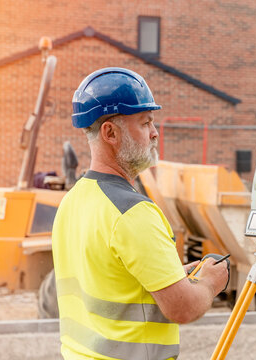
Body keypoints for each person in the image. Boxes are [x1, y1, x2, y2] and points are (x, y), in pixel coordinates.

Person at [51, 67, 228, 360]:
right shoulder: (133, 213)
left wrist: (171, 277)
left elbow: (110, 281)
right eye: (145, 123)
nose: (155, 133)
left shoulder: (72, 201)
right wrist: (210, 283)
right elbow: (183, 307)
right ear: (110, 132)